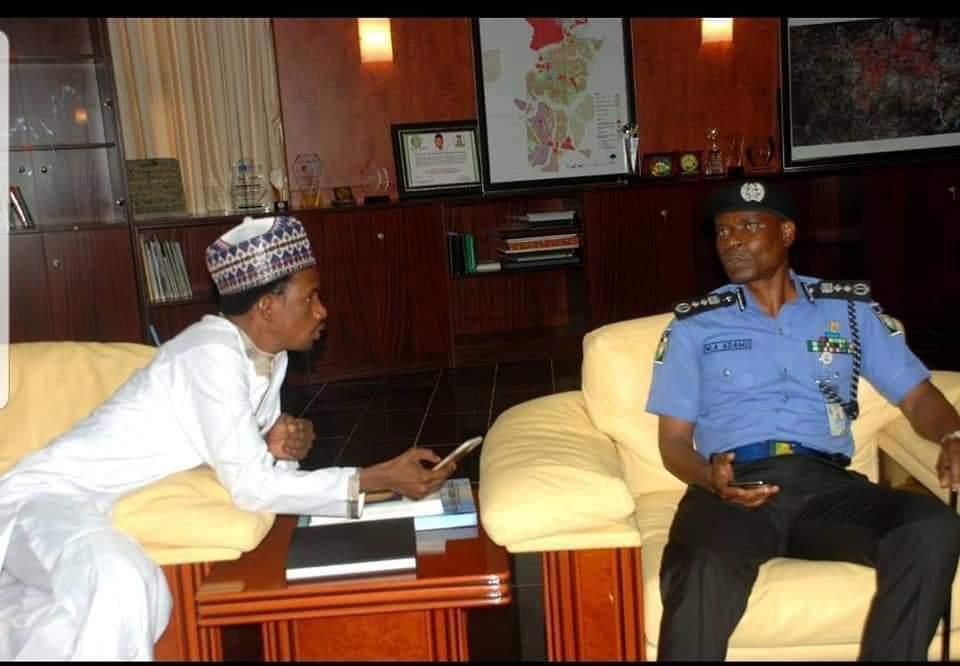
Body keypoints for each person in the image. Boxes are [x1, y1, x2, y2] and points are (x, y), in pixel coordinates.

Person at [0, 215, 455, 660]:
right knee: (120, 583)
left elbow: (260, 466)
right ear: (267, 307)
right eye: (311, 296)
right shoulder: (209, 354)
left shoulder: (265, 357)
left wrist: (280, 447)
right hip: (41, 499)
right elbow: (252, 486)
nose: (323, 310)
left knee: (130, 606)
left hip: (88, 506)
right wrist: (378, 477)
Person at [646, 179, 960, 661]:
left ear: (787, 233)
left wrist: (952, 435)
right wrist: (710, 479)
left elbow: (918, 396)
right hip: (732, 490)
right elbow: (672, 443)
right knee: (701, 567)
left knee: (930, 525)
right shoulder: (695, 325)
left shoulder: (848, 311)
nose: (732, 240)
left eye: (749, 226)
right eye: (723, 230)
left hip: (825, 489)